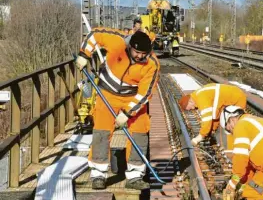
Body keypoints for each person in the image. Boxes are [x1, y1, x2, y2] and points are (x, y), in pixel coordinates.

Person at [75, 28, 159, 190]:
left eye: (144, 53)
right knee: (102, 131)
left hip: (132, 98)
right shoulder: (117, 42)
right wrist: (84, 54)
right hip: (107, 93)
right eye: (137, 52)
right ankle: (98, 174)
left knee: (140, 131)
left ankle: (135, 175)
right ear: (130, 47)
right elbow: (94, 34)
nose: (140, 56)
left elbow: (146, 93)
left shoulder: (152, 65)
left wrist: (128, 112)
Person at [178, 83, 246, 147]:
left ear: (190, 101)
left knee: (234, 126)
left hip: (237, 99)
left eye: (189, 107)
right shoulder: (197, 95)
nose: (192, 109)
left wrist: (201, 136)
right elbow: (215, 116)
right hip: (234, 95)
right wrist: (212, 130)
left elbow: (207, 118)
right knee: (230, 126)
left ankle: (241, 148)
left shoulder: (201, 98)